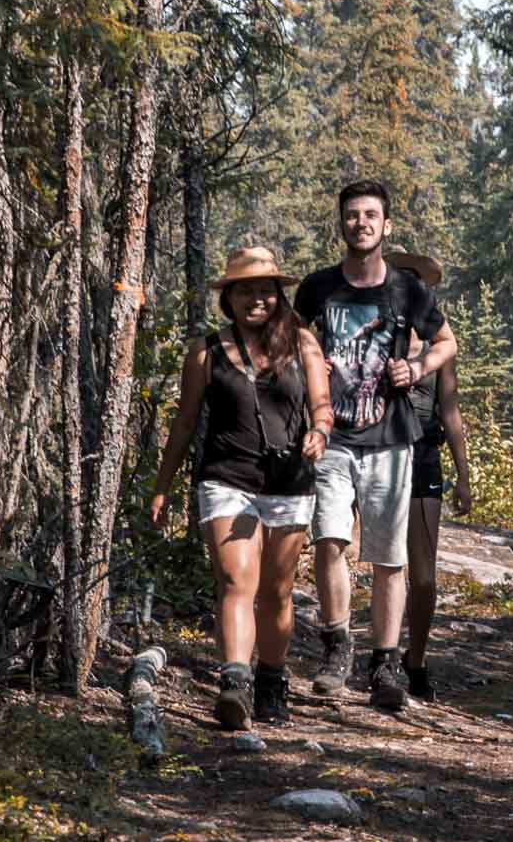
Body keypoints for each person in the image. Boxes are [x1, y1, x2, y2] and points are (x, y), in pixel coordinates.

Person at [150, 246, 333, 730]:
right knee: (236, 580)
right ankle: (234, 682)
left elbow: (321, 404)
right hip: (226, 478)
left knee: (277, 591)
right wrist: (162, 486)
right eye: (245, 291)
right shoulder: (206, 351)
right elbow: (185, 423)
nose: (256, 299)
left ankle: (272, 680)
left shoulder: (303, 344)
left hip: (289, 482)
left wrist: (319, 432)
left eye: (265, 291)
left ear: (278, 296)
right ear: (227, 298)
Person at [294, 181, 458, 711]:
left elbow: (447, 341)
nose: (360, 223)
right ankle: (337, 646)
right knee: (329, 540)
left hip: (390, 438)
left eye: (370, 215)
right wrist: (309, 362)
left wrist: (417, 366)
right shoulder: (318, 288)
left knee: (389, 557)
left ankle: (386, 663)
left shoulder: (408, 291)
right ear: (341, 223)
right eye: (352, 215)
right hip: (332, 435)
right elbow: (291, 336)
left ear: (386, 225)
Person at [387, 250, 473, 702]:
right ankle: (384, 657)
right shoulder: (373, 334)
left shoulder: (439, 342)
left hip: (424, 456)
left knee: (422, 577)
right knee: (386, 565)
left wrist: (463, 474)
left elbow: (450, 408)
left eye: (413, 279)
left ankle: (415, 658)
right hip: (377, 453)